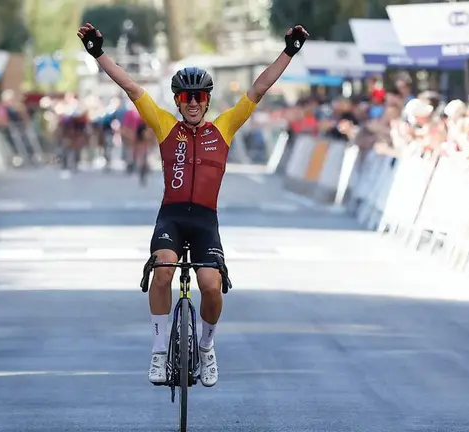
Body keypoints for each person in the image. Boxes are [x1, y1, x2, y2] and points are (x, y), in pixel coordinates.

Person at [78, 22, 309, 387]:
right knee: (163, 272)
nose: (194, 104)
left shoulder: (225, 127)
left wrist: (290, 52)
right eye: (187, 98)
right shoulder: (166, 126)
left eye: (200, 97)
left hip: (205, 220)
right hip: (171, 216)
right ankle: (157, 353)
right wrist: (97, 53)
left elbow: (259, 88)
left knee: (212, 286)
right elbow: (130, 86)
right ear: (177, 102)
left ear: (208, 100)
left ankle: (206, 348)